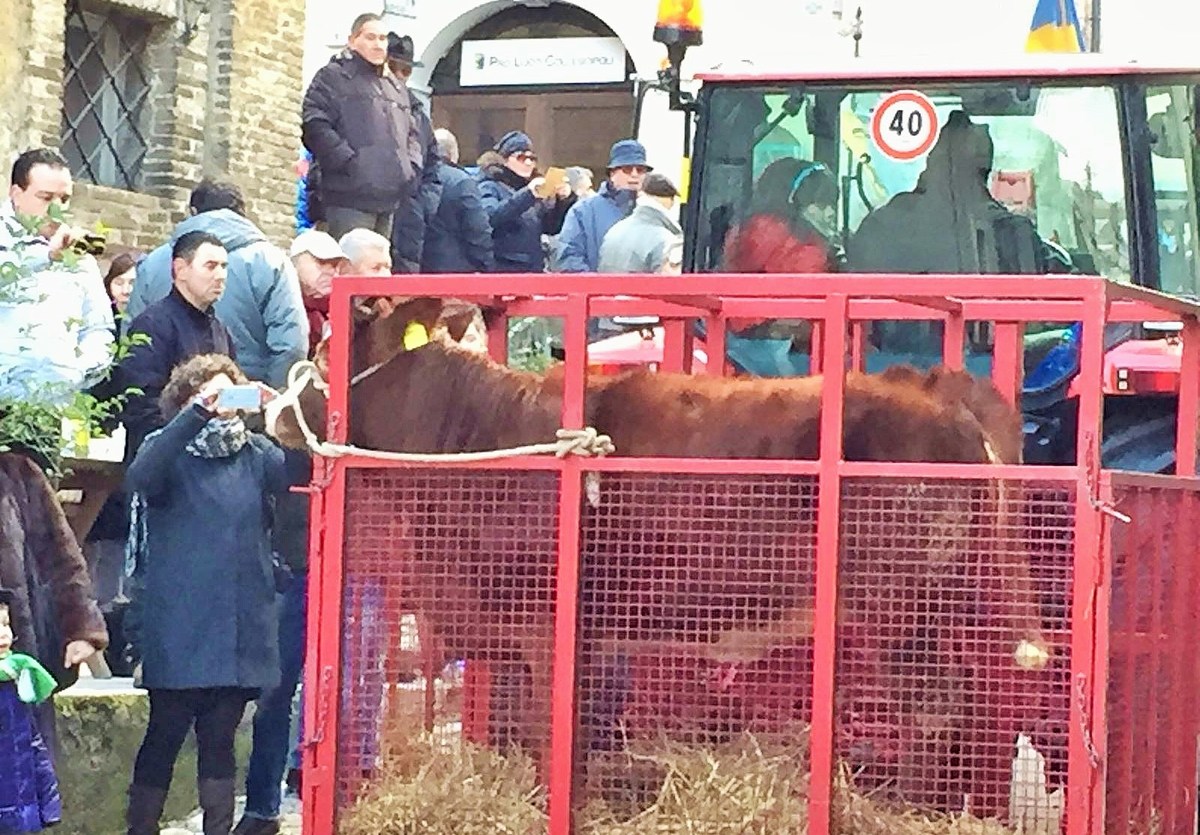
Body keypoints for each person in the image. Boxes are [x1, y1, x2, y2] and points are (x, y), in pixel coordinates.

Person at [124, 354, 291, 835]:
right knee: (164, 734)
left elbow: (299, 470)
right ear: (186, 399)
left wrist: (281, 411)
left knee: (220, 740)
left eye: (230, 391)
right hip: (179, 624)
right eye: (210, 393)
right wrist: (196, 413)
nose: (223, 403)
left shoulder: (259, 454)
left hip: (240, 625)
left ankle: (218, 828)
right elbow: (141, 478)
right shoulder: (166, 447)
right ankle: (141, 828)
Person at [126, 179, 308, 391]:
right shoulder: (271, 262)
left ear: (193, 211)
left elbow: (130, 342)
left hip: (162, 409)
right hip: (243, 406)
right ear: (242, 213)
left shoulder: (152, 263)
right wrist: (265, 403)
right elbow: (291, 346)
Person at [0, 148, 114, 405]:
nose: (57, 210)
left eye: (64, 199)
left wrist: (78, 370)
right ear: (16, 194)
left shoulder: (80, 259)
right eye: (46, 197)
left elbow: (99, 329)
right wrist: (47, 257)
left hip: (52, 408)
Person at [301, 13, 422, 241]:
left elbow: (412, 132)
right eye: (370, 37)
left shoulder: (395, 86)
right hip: (348, 195)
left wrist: (410, 167)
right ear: (352, 40)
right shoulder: (332, 77)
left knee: (377, 268)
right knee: (353, 266)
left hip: (390, 197)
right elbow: (315, 123)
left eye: (383, 38)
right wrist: (348, 162)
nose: (378, 44)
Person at [117, 231, 235, 460]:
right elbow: (140, 406)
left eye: (224, 266)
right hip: (163, 463)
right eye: (210, 266)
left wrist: (253, 398)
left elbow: (227, 396)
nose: (221, 275)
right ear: (180, 269)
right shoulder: (151, 325)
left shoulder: (221, 330)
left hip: (212, 461)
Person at [0, 588, 61, 834]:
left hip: (20, 810)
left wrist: (48, 803)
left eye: (5, 623)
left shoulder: (19, 675)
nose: (3, 633)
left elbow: (32, 743)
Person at [476, 131, 575, 273]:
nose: (528, 163)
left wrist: (563, 201)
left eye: (532, 158)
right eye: (521, 157)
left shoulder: (532, 190)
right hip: (503, 269)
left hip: (532, 268)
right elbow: (490, 217)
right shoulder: (489, 185)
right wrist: (528, 194)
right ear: (504, 159)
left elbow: (550, 227)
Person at [386, 32, 441, 274]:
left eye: (406, 70)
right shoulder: (363, 104)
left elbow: (432, 167)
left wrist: (421, 207)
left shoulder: (419, 116)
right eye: (393, 67)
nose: (399, 75)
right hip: (369, 210)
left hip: (408, 220)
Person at [556, 139, 649, 273]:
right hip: (598, 292)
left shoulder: (653, 212)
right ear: (612, 173)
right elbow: (570, 259)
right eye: (627, 169)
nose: (634, 174)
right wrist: (598, 289)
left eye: (640, 170)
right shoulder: (583, 211)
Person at [420, 128, 494, 274]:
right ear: (454, 154)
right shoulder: (462, 182)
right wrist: (486, 266)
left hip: (416, 267)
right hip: (455, 269)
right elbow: (477, 229)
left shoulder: (416, 176)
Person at [598, 172, 683, 274]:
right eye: (672, 198)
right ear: (667, 199)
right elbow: (670, 285)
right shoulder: (666, 241)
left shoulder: (614, 230)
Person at [288, 230, 345, 355]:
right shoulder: (281, 305)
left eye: (335, 265)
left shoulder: (342, 310)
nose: (331, 271)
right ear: (295, 263)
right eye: (322, 262)